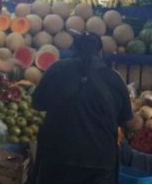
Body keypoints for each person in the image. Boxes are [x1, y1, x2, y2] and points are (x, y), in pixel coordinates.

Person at [31, 32, 142, 183]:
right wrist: (139, 120)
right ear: (100, 52)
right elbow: (128, 122)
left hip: (56, 156)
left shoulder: (56, 70)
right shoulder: (114, 78)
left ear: (74, 49)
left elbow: (37, 104)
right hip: (99, 162)